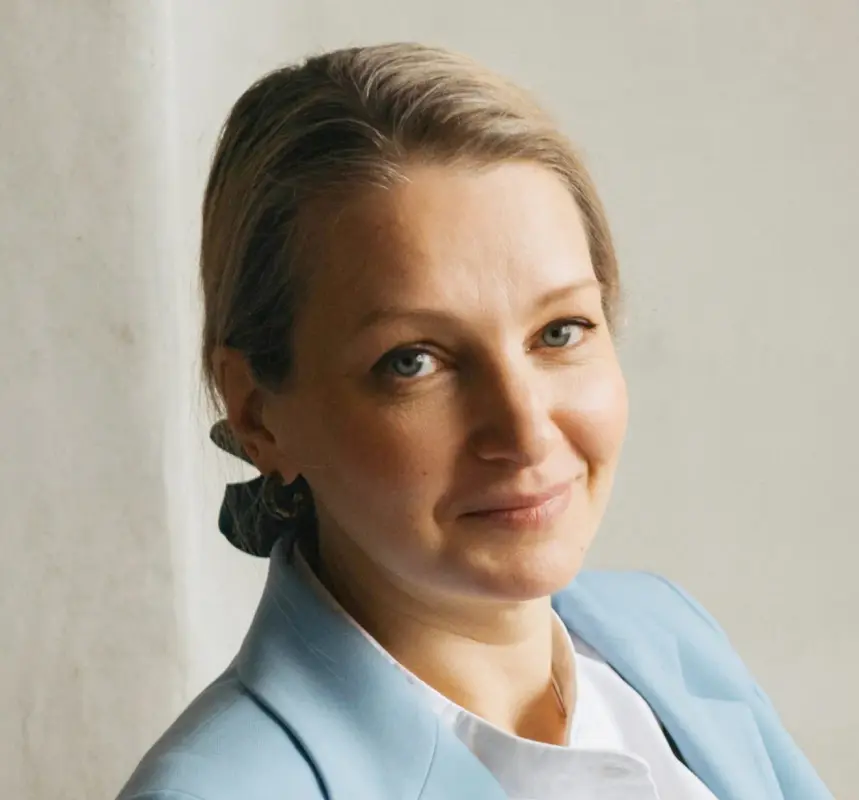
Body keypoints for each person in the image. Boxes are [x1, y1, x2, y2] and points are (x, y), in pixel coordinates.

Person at [117, 43, 831, 800]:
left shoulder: (665, 633)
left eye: (559, 331)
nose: (526, 434)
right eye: (413, 361)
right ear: (259, 413)